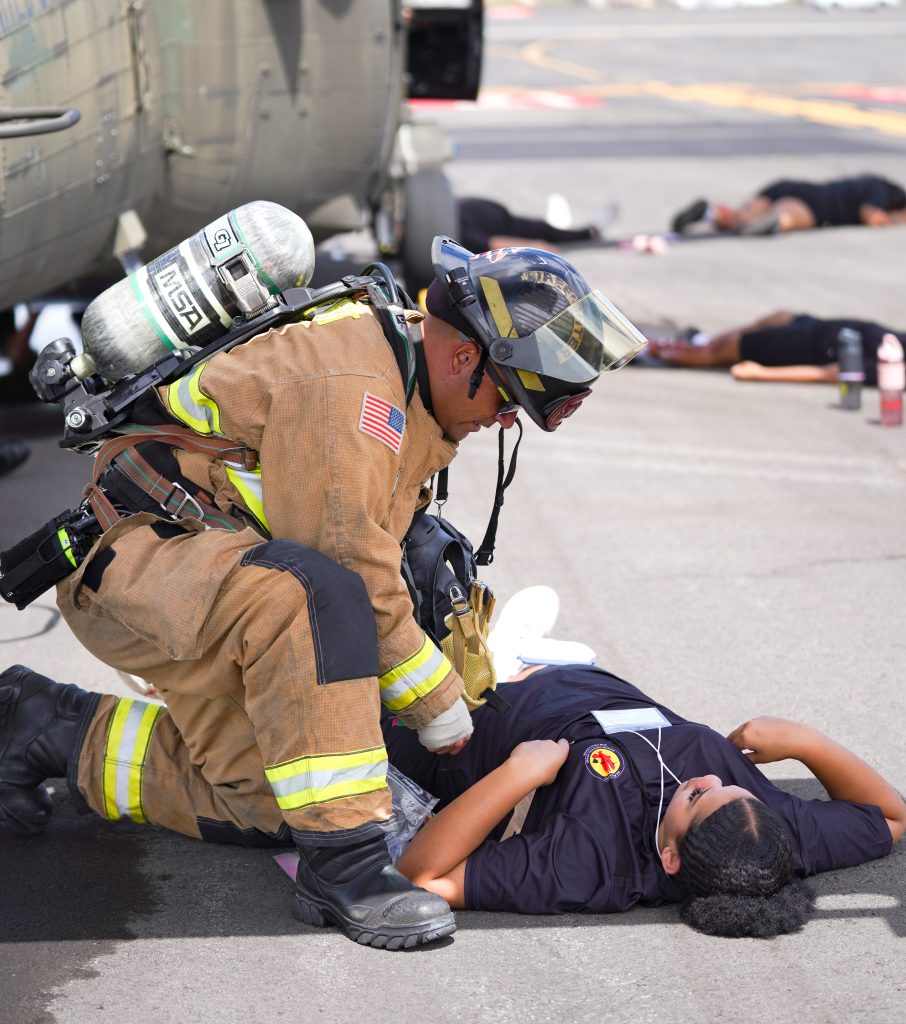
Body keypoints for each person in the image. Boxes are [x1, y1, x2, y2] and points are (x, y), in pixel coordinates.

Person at [0, 238, 646, 950]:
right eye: (506, 399)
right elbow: (347, 564)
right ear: (464, 356)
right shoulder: (352, 387)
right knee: (319, 594)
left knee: (272, 801)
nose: (503, 419)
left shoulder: (402, 370)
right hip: (139, 572)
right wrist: (437, 704)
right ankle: (349, 869)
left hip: (202, 576)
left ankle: (44, 726)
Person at [381, 661, 905, 938]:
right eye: (735, 782)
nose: (712, 776)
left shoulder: (590, 867)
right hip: (577, 675)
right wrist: (807, 742)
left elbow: (421, 876)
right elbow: (891, 816)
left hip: (455, 721)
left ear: (670, 857)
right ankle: (527, 655)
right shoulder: (763, 833)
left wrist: (516, 775)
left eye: (697, 795)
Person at [646, 311, 905, 384]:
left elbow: (827, 373)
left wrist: (762, 373)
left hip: (803, 347)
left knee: (725, 349)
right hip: (817, 327)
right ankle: (704, 340)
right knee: (775, 317)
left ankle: (651, 351)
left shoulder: (894, 366)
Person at [671, 174, 906, 236]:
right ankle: (774, 223)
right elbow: (870, 215)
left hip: (787, 186)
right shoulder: (880, 190)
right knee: (786, 219)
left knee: (740, 217)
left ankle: (710, 212)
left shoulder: (869, 182)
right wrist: (895, 219)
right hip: (813, 205)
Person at [456, 196, 612, 254]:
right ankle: (590, 233)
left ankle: (589, 232)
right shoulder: (459, 233)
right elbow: (491, 243)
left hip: (504, 220)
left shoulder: (447, 215)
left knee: (544, 228)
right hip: (506, 227)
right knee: (546, 231)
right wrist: (532, 247)